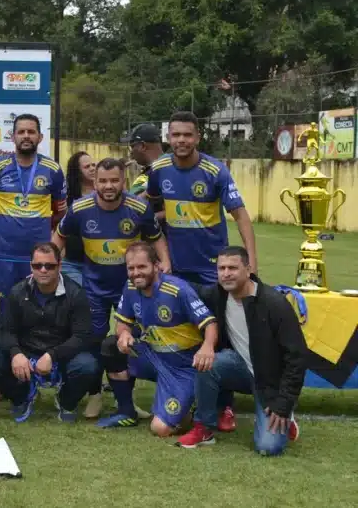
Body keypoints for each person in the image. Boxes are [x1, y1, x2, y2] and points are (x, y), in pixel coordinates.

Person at [147, 110, 256, 430]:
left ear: (197, 137)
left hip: (213, 273)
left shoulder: (215, 170)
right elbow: (152, 209)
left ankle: (224, 406)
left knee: (220, 338)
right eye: (176, 135)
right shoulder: (159, 169)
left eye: (187, 135)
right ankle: (186, 393)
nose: (181, 140)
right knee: (183, 332)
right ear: (168, 137)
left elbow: (241, 216)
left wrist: (251, 262)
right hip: (176, 272)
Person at [53, 157, 170, 418]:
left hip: (130, 288)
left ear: (123, 181)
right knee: (93, 340)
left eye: (114, 180)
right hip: (93, 287)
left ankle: (124, 399)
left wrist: (166, 262)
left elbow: (156, 237)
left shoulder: (138, 207)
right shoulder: (80, 208)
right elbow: (59, 235)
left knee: (128, 340)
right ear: (94, 182)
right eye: (103, 181)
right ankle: (94, 394)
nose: (109, 186)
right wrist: (52, 263)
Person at [178, 247, 304, 453]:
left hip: (272, 382)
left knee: (268, 447)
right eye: (221, 268)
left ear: (248, 269)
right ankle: (204, 428)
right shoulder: (218, 294)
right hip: (241, 370)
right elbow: (189, 289)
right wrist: (159, 276)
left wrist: (284, 402)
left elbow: (297, 357)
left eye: (233, 268)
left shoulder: (274, 303)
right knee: (208, 362)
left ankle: (285, 417)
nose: (226, 273)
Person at [97, 242, 218, 436]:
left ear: (156, 266)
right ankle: (126, 412)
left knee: (160, 429)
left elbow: (209, 323)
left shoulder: (178, 290)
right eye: (131, 268)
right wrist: (124, 334)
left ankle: (190, 407)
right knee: (112, 346)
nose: (136, 273)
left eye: (142, 267)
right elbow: (122, 322)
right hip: (152, 356)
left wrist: (207, 347)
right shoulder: (130, 286)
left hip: (183, 367)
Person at [0, 242, 99, 422]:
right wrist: (16, 353)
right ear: (31, 266)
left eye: (49, 266)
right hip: (26, 351)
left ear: (59, 266)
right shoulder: (17, 292)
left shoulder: (76, 294)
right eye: (37, 265)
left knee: (88, 365)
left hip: (62, 354)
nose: (43, 270)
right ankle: (22, 397)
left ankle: (66, 401)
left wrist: (52, 355)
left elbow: (82, 336)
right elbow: (5, 331)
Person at [0, 113, 66, 321]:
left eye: (31, 131)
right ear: (13, 136)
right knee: (5, 316)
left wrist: (50, 244)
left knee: (40, 314)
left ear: (40, 137)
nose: (26, 136)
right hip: (4, 255)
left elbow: (60, 214)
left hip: (39, 258)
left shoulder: (53, 170)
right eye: (21, 132)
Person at [61, 151, 95, 286]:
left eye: (93, 165)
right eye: (87, 167)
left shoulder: (104, 194)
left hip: (97, 264)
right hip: (71, 263)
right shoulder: (67, 197)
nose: (92, 169)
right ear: (77, 172)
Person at [123, 123, 164, 197]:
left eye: (132, 147)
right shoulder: (173, 167)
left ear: (143, 146)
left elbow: (132, 202)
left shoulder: (148, 177)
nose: (131, 152)